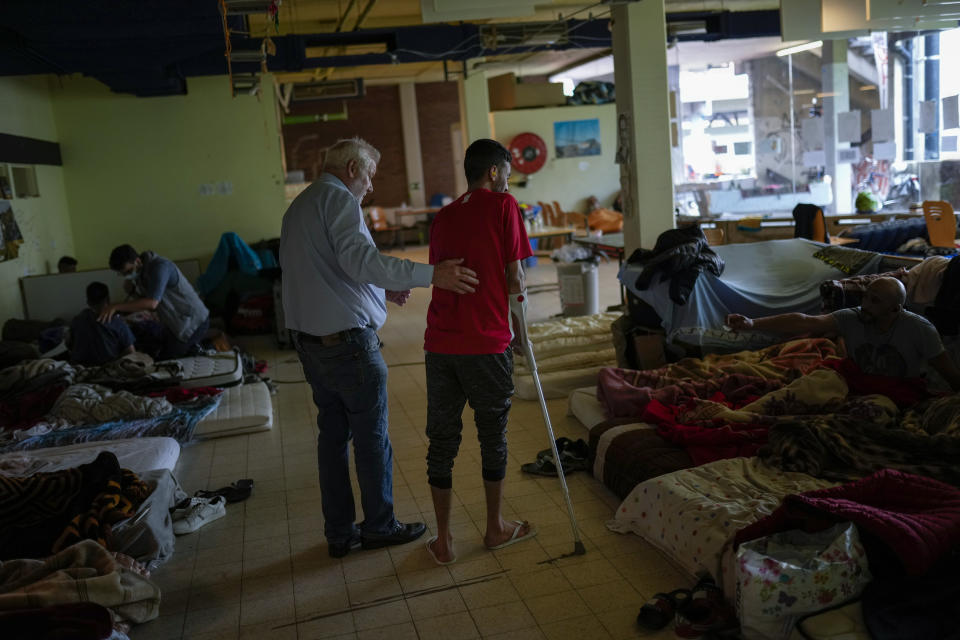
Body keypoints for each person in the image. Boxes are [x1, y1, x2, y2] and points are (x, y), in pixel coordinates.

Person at [279, 136, 480, 559]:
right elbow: (358, 261)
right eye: (369, 175)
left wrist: (380, 288)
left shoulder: (300, 205)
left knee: (332, 440)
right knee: (371, 439)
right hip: (349, 346)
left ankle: (339, 533)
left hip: (312, 344)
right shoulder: (340, 201)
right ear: (352, 169)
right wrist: (429, 274)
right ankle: (379, 527)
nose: (370, 186)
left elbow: (327, 270)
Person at [422, 139, 537, 566]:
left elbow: (441, 273)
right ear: (493, 171)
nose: (508, 180)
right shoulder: (504, 206)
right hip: (487, 343)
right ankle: (495, 528)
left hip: (441, 344)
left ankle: (444, 542)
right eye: (506, 171)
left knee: (442, 441)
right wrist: (522, 332)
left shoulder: (444, 216)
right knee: (492, 435)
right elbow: (515, 279)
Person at [726, 277, 960, 391]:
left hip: (898, 391)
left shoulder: (920, 329)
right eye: (866, 296)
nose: (865, 304)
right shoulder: (853, 317)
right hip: (854, 384)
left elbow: (949, 374)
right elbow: (805, 321)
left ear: (895, 309)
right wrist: (752, 323)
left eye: (874, 301)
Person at [102, 245, 210, 359]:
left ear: (138, 261)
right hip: (175, 324)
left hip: (193, 322)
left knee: (167, 361)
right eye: (123, 274)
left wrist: (115, 306)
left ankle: (205, 348)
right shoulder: (141, 272)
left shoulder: (160, 267)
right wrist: (132, 293)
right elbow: (149, 304)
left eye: (128, 271)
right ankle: (196, 349)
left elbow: (152, 303)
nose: (127, 276)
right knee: (161, 354)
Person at [69, 282, 136, 366]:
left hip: (80, 368)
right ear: (108, 299)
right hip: (107, 369)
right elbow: (131, 353)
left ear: (88, 302)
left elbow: (70, 344)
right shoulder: (117, 322)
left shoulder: (77, 320)